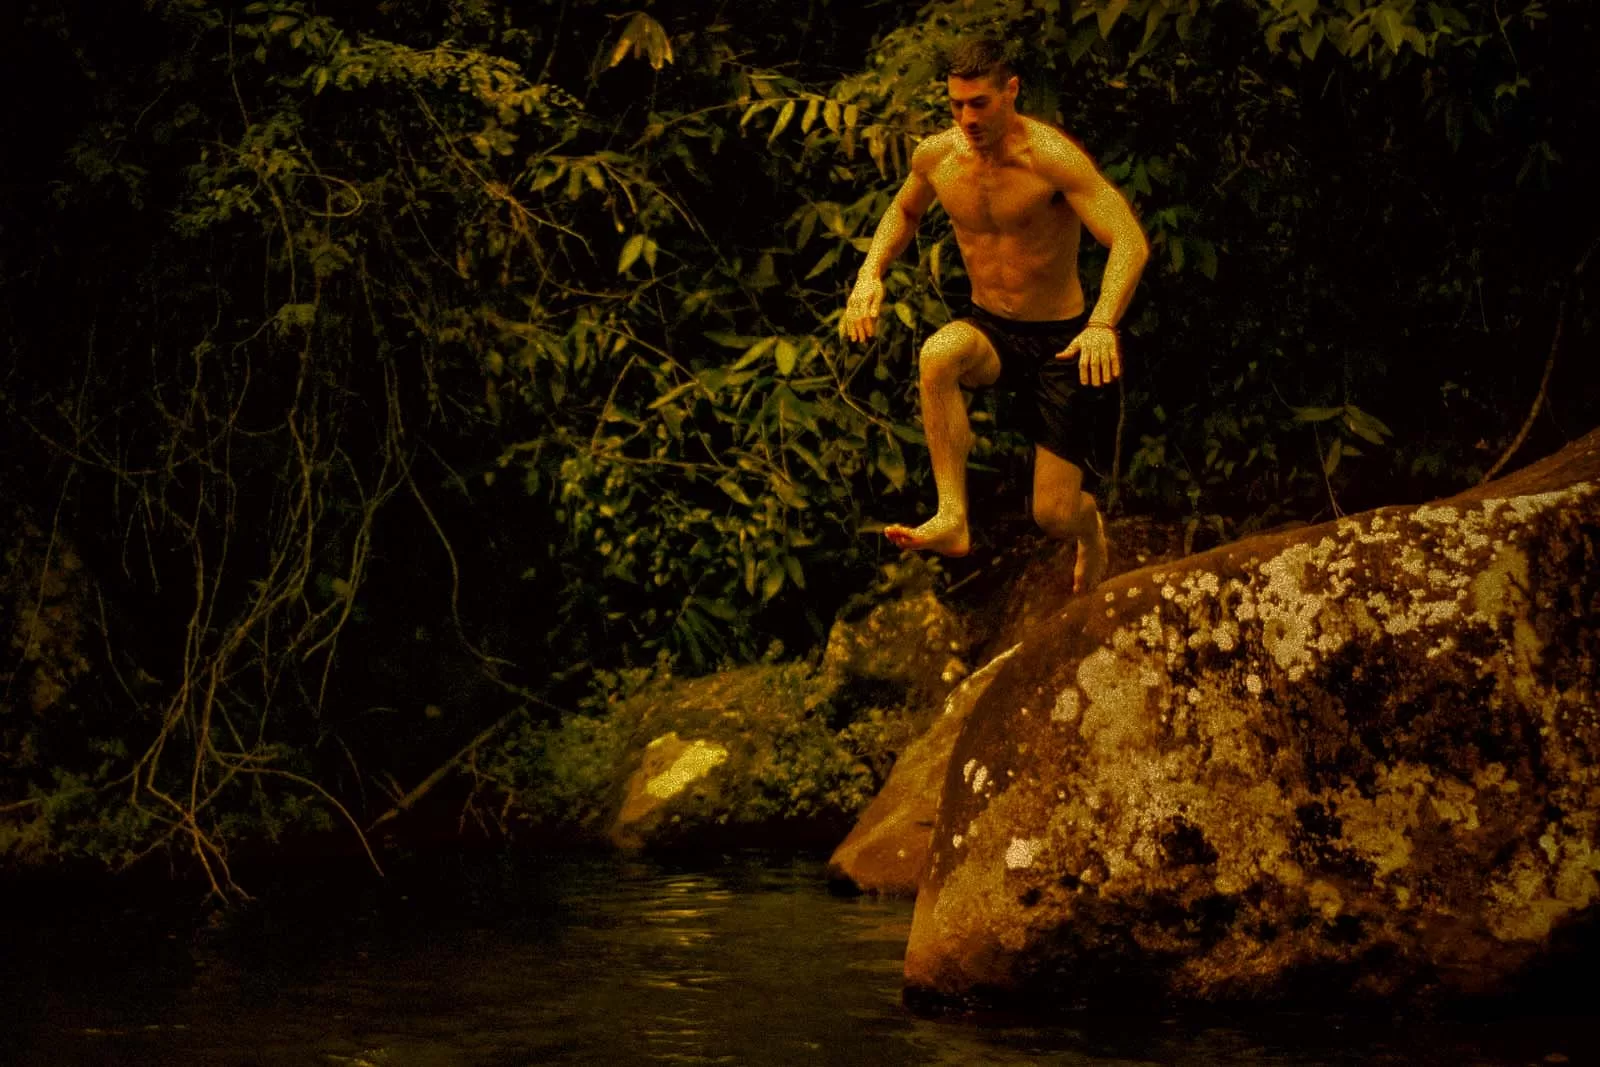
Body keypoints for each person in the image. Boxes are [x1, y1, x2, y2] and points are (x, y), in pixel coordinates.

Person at [841, 37, 1149, 594]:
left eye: (979, 103)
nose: (966, 118)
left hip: (1062, 339)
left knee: (1052, 515)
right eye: (956, 104)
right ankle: (952, 516)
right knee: (938, 354)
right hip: (992, 327)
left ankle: (1091, 531)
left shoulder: (1050, 158)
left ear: (1011, 92)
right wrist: (870, 273)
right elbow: (904, 210)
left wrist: (1102, 323)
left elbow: (1127, 238)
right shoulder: (939, 156)